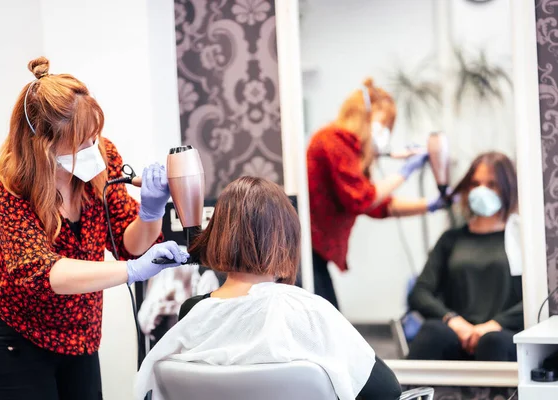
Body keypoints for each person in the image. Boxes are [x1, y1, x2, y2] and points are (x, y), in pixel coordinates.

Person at [0, 57, 189, 400]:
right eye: (82, 143)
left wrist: (151, 211)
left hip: (80, 340)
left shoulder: (102, 157)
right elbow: (41, 272)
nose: (94, 148)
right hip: (15, 340)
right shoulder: (12, 185)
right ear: (43, 145)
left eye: (94, 135)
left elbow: (129, 243)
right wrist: (130, 272)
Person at [134, 177, 402, 400]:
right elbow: (387, 391)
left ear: (217, 235)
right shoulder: (307, 313)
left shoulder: (193, 314)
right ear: (286, 242)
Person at [307, 78, 448, 309]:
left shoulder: (349, 151)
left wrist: (431, 205)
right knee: (328, 324)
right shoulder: (333, 140)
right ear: (362, 116)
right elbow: (363, 198)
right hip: (306, 251)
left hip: (316, 252)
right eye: (382, 125)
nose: (384, 134)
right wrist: (405, 172)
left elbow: (378, 205)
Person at [407, 151, 522, 362]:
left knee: (493, 342)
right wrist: (454, 321)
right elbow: (420, 293)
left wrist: (493, 325)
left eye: (491, 184)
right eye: (475, 183)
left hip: (502, 335)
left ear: (507, 189)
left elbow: (538, 300)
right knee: (433, 332)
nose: (481, 190)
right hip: (456, 334)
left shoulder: (521, 241)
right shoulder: (451, 239)